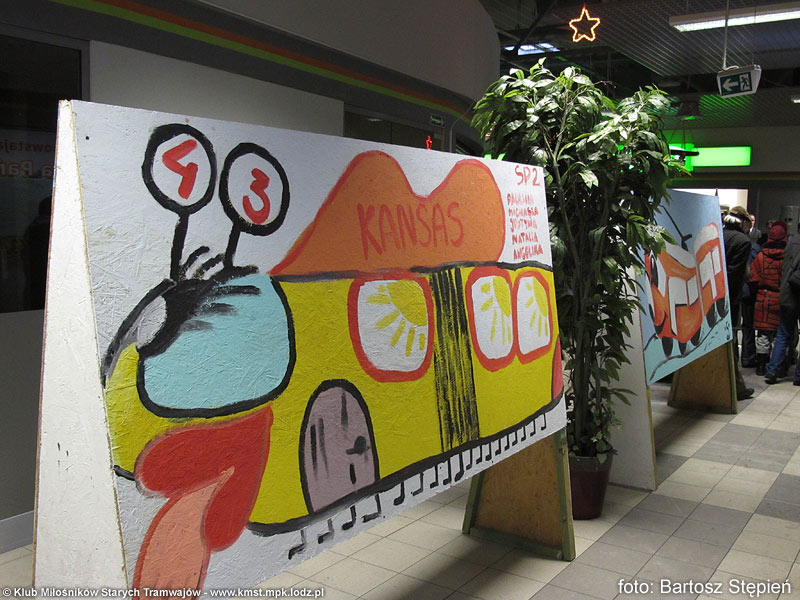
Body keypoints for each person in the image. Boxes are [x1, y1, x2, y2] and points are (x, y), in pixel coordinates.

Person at [723, 205, 754, 399]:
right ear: (743, 222)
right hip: (729, 299)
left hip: (708, 294)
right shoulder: (742, 241)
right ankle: (736, 388)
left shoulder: (717, 233)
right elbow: (735, 274)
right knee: (730, 341)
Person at [749, 221, 787, 375]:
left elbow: (752, 278)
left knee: (763, 334)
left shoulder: (760, 257)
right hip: (782, 298)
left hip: (763, 297)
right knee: (780, 335)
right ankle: (778, 365)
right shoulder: (787, 257)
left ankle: (761, 365)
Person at [766, 221, 800, 384]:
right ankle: (798, 376)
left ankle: (772, 370)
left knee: (783, 334)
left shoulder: (791, 243)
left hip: (787, 294)